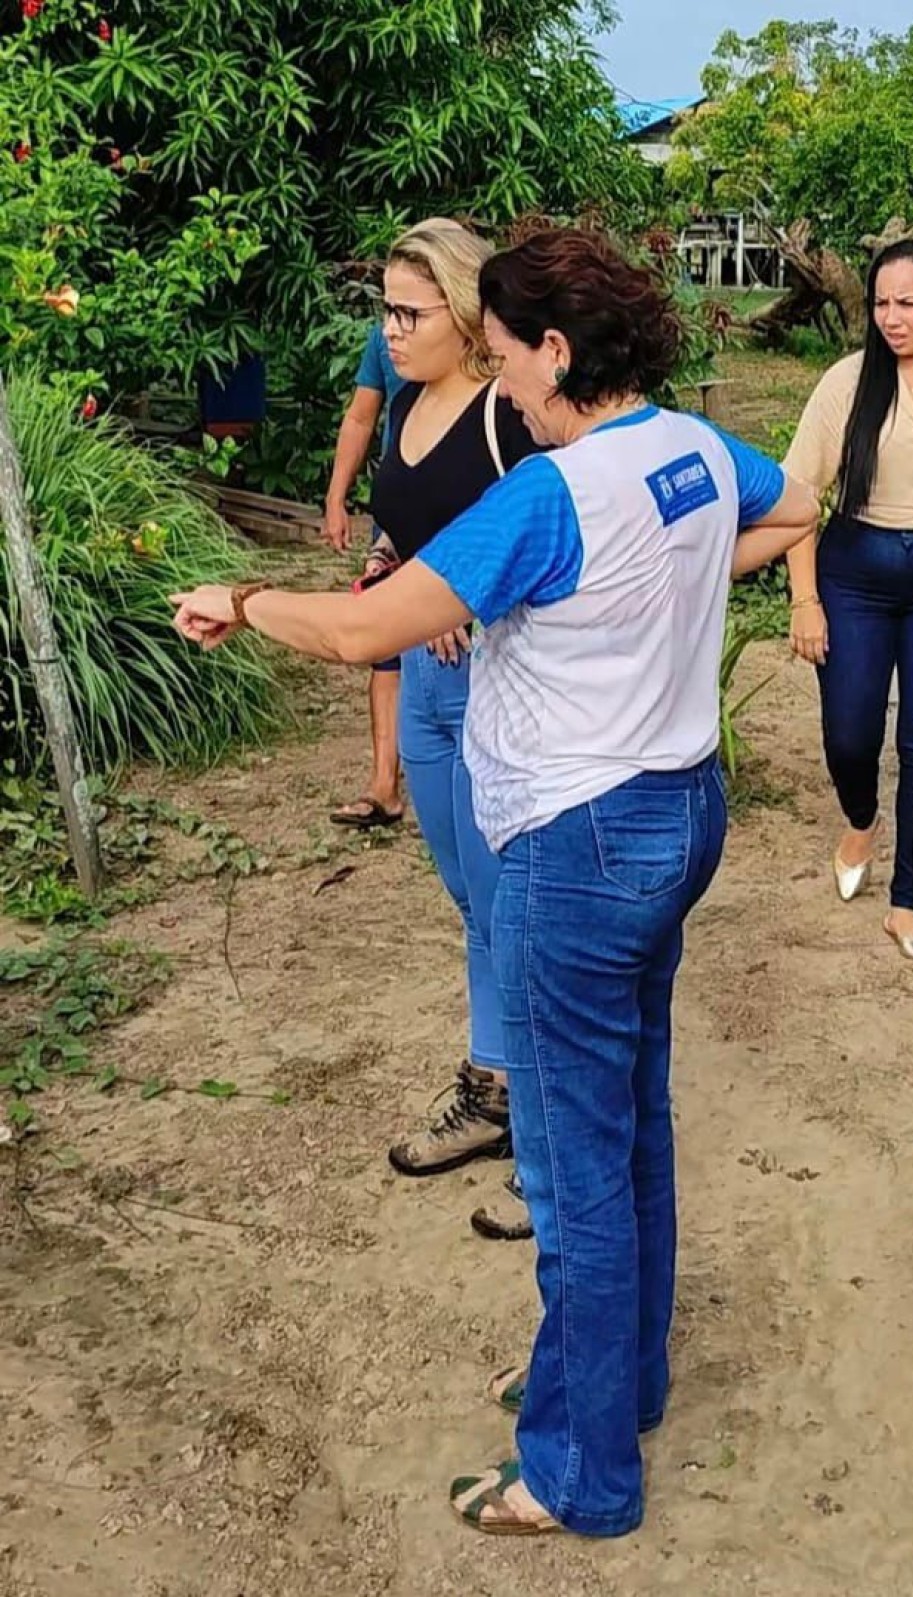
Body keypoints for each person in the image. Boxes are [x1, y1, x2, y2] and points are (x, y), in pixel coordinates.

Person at [169, 227, 820, 1539]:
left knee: (571, 1160)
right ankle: (614, 1382)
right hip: (674, 813)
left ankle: (581, 1471)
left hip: (576, 840)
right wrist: (650, 601)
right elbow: (794, 504)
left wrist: (240, 595)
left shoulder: (550, 497)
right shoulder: (692, 450)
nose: (506, 381)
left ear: (558, 351)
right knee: (631, 1118)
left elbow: (362, 629)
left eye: (513, 354)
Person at [359, 218, 543, 1184]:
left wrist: (464, 592)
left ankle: (539, 1119)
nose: (389, 330)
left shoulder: (504, 417)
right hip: (424, 684)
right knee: (475, 904)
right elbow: (409, 524)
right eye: (385, 309)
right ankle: (494, 1086)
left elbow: (551, 546)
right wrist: (394, 558)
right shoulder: (405, 404)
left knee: (515, 905)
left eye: (407, 311)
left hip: (493, 679)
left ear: (465, 315)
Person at [784, 240, 913, 963]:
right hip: (856, 577)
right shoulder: (848, 384)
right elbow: (799, 498)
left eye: (908, 303)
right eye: (881, 304)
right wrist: (804, 599)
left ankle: (910, 899)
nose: (892, 319)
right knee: (849, 734)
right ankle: (862, 815)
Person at [323, 321, 408, 829]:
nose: (397, 323)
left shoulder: (482, 333)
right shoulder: (385, 339)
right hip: (397, 508)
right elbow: (360, 416)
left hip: (466, 503)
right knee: (386, 642)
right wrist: (337, 497)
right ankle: (384, 785)